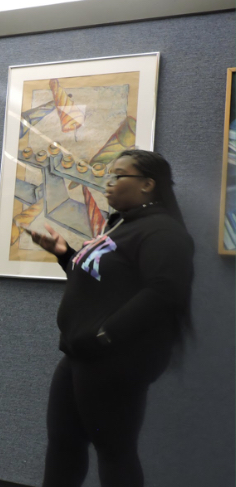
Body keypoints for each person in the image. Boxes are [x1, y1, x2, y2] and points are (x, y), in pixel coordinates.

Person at [30, 150, 194, 487]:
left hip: (114, 363)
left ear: (147, 184)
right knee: (64, 444)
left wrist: (105, 335)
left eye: (119, 176)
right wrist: (65, 256)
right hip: (79, 356)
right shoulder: (121, 226)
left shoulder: (163, 232)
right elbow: (100, 279)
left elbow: (164, 292)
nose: (109, 184)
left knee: (115, 453)